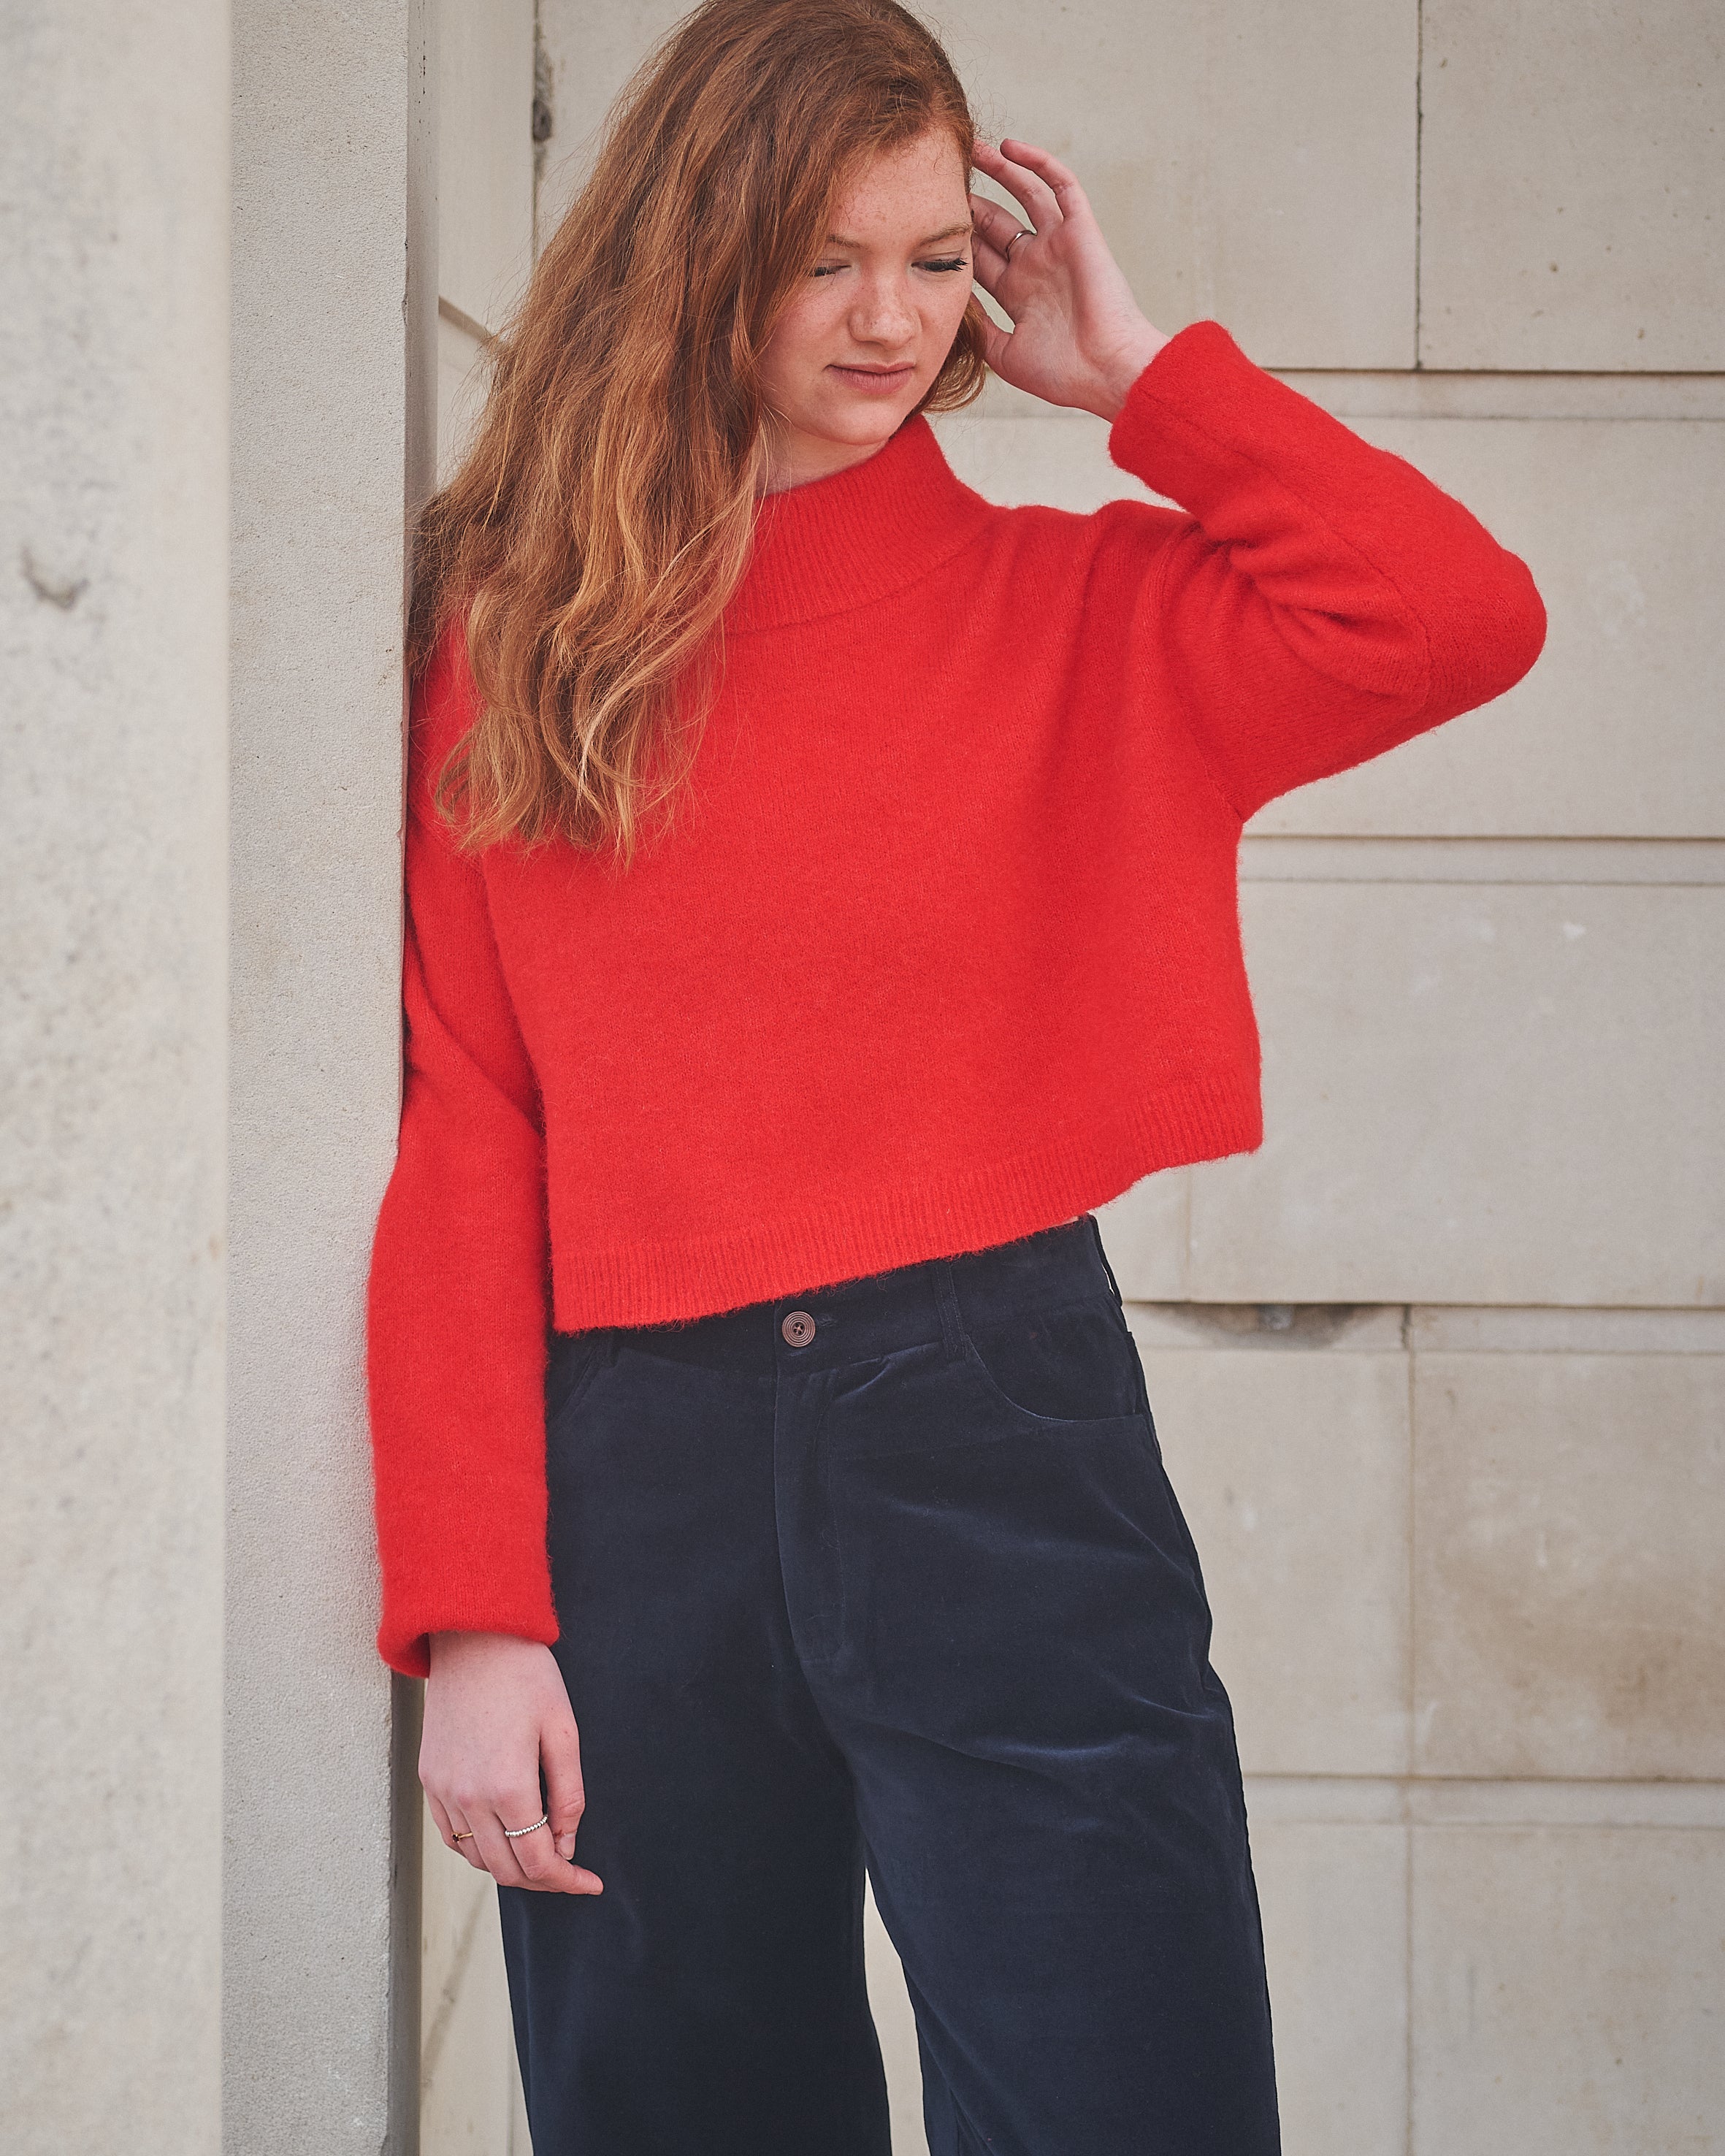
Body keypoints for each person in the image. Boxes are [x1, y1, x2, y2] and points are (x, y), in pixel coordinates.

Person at [366, 1, 1545, 2148]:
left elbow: (1454, 617)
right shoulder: (515, 626)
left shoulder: (1079, 607)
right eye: (824, 259)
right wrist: (472, 1617)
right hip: (633, 1465)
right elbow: (473, 1107)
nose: (889, 319)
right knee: (674, 2113)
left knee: (1130, 2100)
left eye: (931, 257)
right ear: (698, 252)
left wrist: (1150, 388)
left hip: (991, 1420)